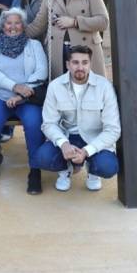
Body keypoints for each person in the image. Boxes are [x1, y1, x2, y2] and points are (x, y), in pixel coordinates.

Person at [32, 45, 121, 192]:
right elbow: (49, 124)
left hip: (94, 138)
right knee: (42, 158)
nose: (80, 67)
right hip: (67, 136)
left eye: (85, 62)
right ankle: (65, 169)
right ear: (68, 64)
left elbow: (113, 129)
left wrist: (87, 151)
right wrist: (63, 144)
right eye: (75, 62)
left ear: (90, 64)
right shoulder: (55, 86)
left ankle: (93, 171)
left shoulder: (104, 87)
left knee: (108, 167)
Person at [0, 8, 48, 194]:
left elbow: (42, 71)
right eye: (9, 23)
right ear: (3, 26)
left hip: (27, 99)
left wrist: (22, 94)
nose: (13, 26)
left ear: (23, 25)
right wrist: (14, 87)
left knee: (35, 124)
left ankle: (35, 169)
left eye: (17, 22)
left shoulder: (34, 45)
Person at [26, 0, 109, 78]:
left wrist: (74, 22)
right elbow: (38, 25)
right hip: (58, 53)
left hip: (86, 51)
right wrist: (16, 34)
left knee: (88, 91)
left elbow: (103, 22)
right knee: (62, 91)